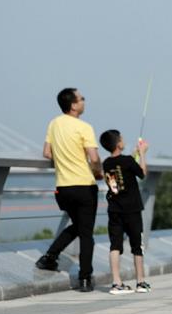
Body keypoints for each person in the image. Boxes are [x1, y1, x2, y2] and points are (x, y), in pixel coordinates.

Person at [35, 88, 103, 292]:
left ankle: (49, 257)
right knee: (86, 233)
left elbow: (47, 152)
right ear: (74, 105)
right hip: (84, 186)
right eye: (82, 98)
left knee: (79, 225)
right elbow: (94, 158)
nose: (84, 101)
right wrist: (98, 172)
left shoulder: (54, 124)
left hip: (63, 188)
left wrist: (64, 158)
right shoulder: (85, 127)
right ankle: (84, 278)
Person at [99, 130, 151, 294]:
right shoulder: (128, 161)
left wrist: (134, 154)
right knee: (137, 245)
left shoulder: (106, 163)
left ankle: (116, 283)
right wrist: (142, 154)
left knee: (115, 245)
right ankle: (140, 282)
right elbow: (142, 173)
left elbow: (116, 185)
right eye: (122, 138)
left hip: (114, 209)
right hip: (133, 209)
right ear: (119, 143)